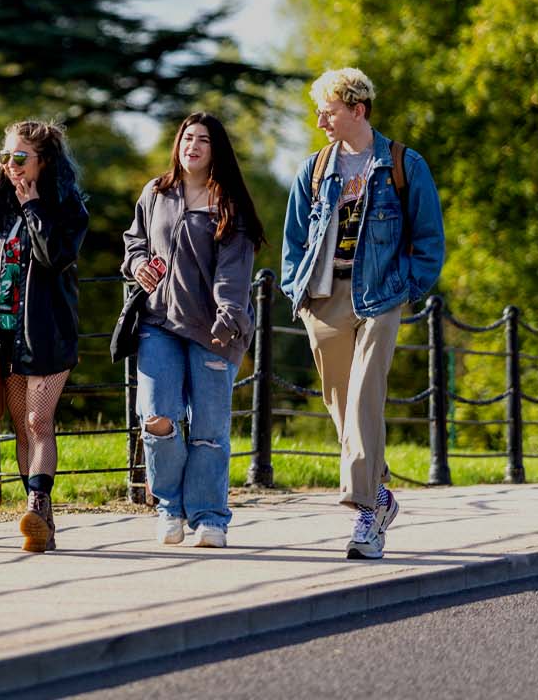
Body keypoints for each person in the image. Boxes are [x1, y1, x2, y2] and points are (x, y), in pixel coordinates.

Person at [281, 68, 445, 560]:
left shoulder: (402, 164)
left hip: (381, 295)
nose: (320, 121)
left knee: (365, 394)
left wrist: (404, 290)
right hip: (325, 295)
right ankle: (380, 493)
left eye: (328, 112)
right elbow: (293, 238)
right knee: (340, 400)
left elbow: (429, 239)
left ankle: (366, 515)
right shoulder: (314, 168)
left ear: (358, 109)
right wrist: (300, 292)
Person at [122, 112, 266, 548]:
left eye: (203, 140)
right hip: (159, 322)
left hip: (215, 331)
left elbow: (234, 272)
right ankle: (170, 507)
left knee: (208, 430)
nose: (193, 146)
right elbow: (135, 241)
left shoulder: (229, 206)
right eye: (187, 138)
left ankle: (210, 517)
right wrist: (138, 263)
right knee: (157, 416)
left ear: (215, 150)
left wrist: (229, 315)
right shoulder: (156, 192)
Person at [0, 120, 88, 552]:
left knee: (37, 420)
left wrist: (33, 208)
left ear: (43, 161)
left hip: (47, 334)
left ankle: (36, 499)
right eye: (5, 157)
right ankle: (40, 521)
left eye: (19, 158)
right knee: (21, 429)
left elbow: (54, 258)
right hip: (2, 337)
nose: (10, 166)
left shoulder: (69, 209)